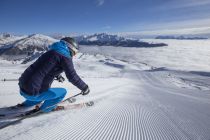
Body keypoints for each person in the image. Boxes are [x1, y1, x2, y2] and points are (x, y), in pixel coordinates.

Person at [18, 37, 90, 112]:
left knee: (39, 89)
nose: (74, 55)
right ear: (71, 48)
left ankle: (27, 104)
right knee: (62, 92)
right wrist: (84, 87)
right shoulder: (65, 56)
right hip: (32, 93)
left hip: (22, 86)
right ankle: (45, 109)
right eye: (75, 52)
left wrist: (57, 75)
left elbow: (44, 68)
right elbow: (72, 76)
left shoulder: (52, 52)